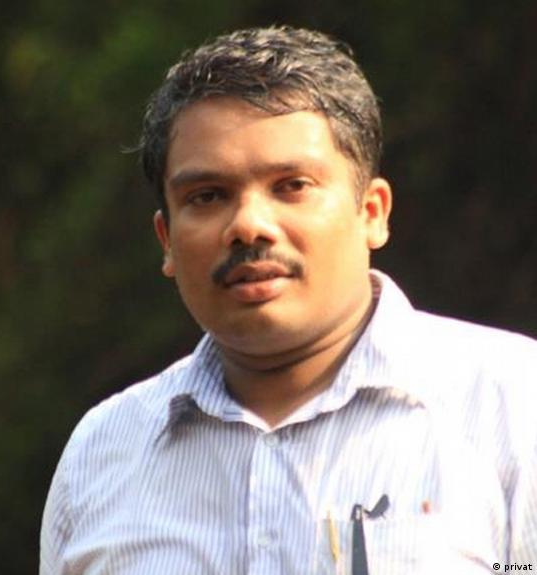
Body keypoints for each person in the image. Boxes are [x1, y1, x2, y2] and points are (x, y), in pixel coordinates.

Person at [40, 26, 537, 575]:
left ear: (372, 212)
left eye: (292, 185)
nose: (249, 225)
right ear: (167, 242)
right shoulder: (102, 454)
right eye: (207, 196)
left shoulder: (512, 407)